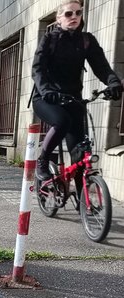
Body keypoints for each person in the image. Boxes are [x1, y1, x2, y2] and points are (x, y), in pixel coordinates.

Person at [32, 0, 122, 183]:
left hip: (73, 99)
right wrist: (46, 89)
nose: (74, 17)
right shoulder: (49, 39)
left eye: (78, 13)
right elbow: (38, 69)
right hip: (46, 98)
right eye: (68, 14)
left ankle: (86, 205)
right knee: (62, 121)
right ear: (59, 18)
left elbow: (102, 67)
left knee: (80, 155)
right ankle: (42, 161)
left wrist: (113, 83)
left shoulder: (86, 40)